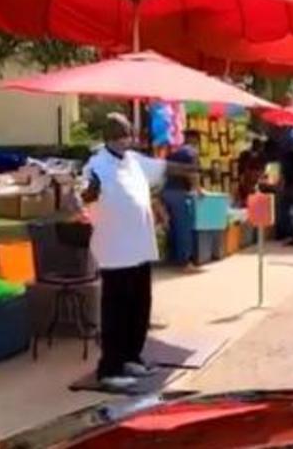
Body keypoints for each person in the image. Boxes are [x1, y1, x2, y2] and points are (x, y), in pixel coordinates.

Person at [80, 113, 197, 390]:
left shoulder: (134, 161)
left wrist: (191, 170)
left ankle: (131, 356)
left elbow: (163, 167)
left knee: (139, 306)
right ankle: (110, 367)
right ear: (108, 136)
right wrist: (90, 193)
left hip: (140, 247)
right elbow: (84, 191)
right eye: (120, 133)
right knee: (116, 311)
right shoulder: (95, 165)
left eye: (128, 133)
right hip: (115, 251)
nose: (126, 138)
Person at [160, 131, 200, 269]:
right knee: (183, 227)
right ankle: (185, 262)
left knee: (172, 227)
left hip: (166, 192)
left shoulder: (175, 152)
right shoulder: (192, 152)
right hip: (179, 193)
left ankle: (171, 258)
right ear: (195, 141)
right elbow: (192, 173)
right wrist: (198, 190)